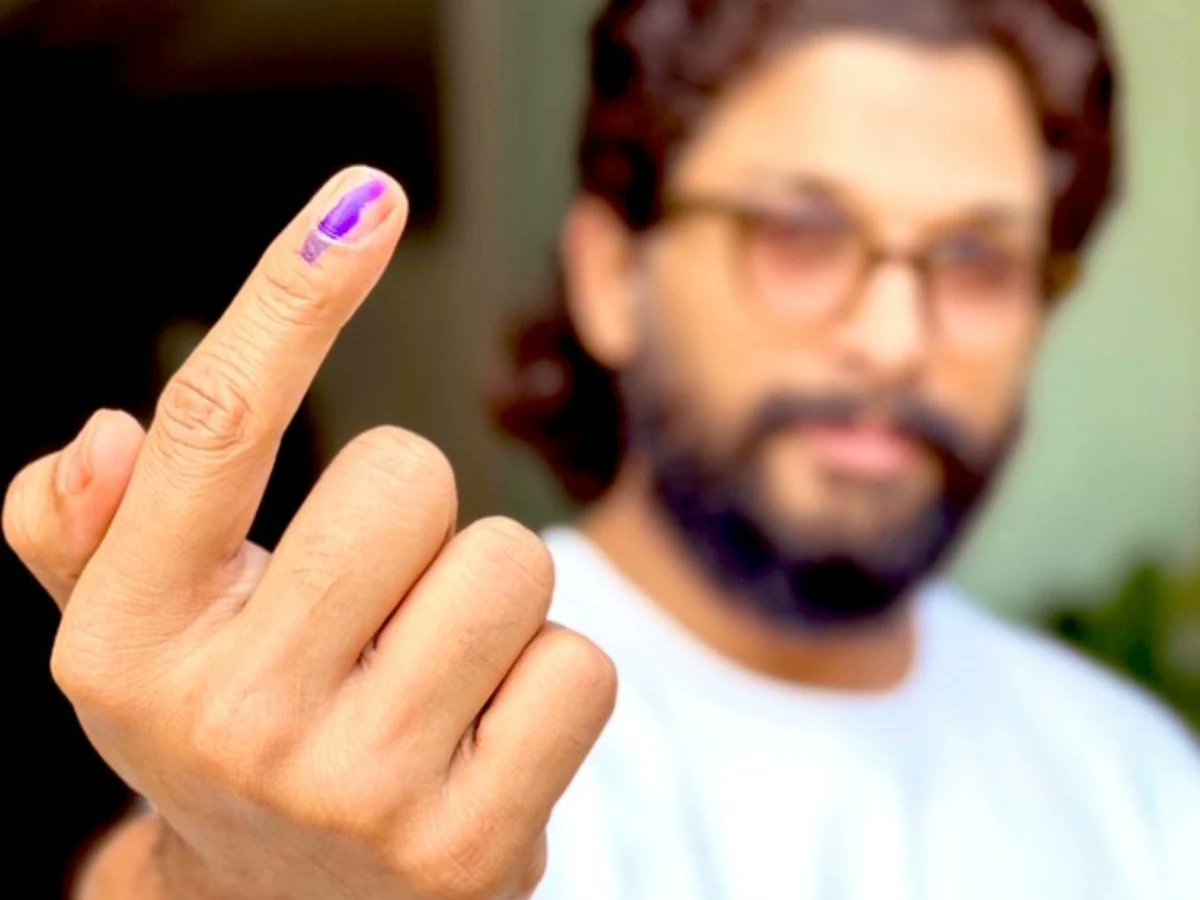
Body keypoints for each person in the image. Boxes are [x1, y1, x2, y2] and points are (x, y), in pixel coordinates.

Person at [5, 0, 1197, 897]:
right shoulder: (357, 726)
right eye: (800, 231)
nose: (895, 338)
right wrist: (220, 870)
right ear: (609, 272)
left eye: (980, 261)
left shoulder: (1142, 779)